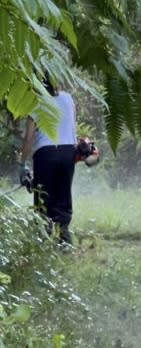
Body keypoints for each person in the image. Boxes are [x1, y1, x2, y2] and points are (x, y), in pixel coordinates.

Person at [19, 73, 77, 245]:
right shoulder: (68, 99)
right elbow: (72, 126)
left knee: (43, 197)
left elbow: (28, 138)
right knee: (63, 195)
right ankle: (65, 240)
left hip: (46, 153)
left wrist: (22, 164)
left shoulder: (35, 101)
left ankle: (43, 241)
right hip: (68, 152)